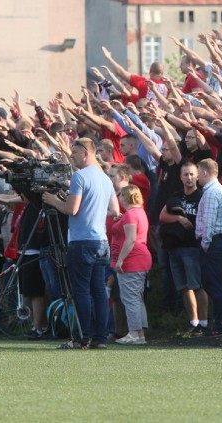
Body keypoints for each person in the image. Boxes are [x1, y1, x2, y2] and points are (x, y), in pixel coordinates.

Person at [43, 137, 119, 350]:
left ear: (86, 153)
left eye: (75, 153)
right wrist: (93, 210)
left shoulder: (79, 176)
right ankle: (100, 338)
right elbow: (115, 210)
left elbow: (72, 209)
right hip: (101, 241)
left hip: (82, 241)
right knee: (98, 291)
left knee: (82, 291)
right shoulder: (105, 178)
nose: (73, 157)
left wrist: (54, 200)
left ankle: (83, 337)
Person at [159, 161, 207, 334]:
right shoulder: (176, 195)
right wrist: (179, 219)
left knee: (197, 285)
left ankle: (204, 322)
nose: (189, 178)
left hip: (192, 247)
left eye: (192, 174)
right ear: (180, 177)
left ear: (198, 176)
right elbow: (162, 215)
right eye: (186, 174)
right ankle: (193, 322)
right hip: (174, 248)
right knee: (184, 287)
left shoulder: (202, 196)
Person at [194, 158, 222, 336]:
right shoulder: (221, 190)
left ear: (204, 172)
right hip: (218, 241)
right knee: (214, 282)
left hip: (213, 243)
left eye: (197, 172)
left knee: (212, 282)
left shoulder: (211, 193)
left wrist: (205, 244)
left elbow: (209, 222)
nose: (196, 176)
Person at [111, 185, 152, 345]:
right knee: (136, 298)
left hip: (133, 260)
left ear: (125, 197)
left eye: (121, 195)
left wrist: (120, 259)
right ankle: (139, 333)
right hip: (139, 259)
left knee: (131, 298)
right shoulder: (137, 212)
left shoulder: (131, 215)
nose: (119, 198)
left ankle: (134, 332)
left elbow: (131, 239)